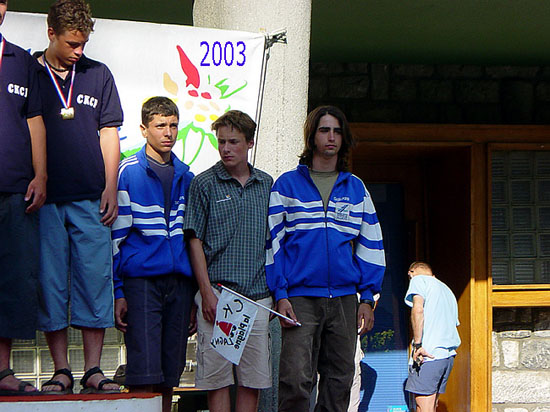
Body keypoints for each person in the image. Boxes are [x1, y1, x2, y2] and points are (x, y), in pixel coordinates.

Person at [266, 105, 386, 412]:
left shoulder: (356, 188)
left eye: (336, 131)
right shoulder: (286, 186)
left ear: (343, 138)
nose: (330, 137)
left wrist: (367, 298)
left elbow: (371, 245)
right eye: (324, 130)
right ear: (312, 137)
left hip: (346, 299)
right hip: (300, 298)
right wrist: (280, 294)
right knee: (295, 379)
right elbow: (273, 245)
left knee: (340, 378)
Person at [34, 0, 122, 394]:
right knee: (51, 282)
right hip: (45, 200)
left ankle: (92, 370)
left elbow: (109, 132)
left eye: (83, 43)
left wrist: (109, 186)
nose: (78, 51)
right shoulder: (29, 73)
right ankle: (60, 370)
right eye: (71, 43)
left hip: (90, 196)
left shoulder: (97, 73)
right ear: (50, 33)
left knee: (94, 280)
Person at [184, 110, 273, 412]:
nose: (225, 149)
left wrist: (275, 297)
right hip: (218, 295)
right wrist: (206, 292)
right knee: (217, 380)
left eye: (233, 142)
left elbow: (276, 243)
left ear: (249, 143)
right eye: (221, 141)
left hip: (259, 297)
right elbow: (193, 239)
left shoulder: (268, 185)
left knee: (252, 380)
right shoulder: (204, 183)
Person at [112, 97, 195, 412]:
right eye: (161, 125)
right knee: (143, 371)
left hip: (181, 284)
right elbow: (116, 238)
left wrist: (196, 295)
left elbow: (193, 239)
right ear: (144, 129)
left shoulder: (188, 177)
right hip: (141, 282)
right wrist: (118, 291)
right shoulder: (127, 172)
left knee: (169, 373)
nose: (168, 132)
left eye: (173, 125)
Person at [0, 0, 47, 395]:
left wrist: (41, 173)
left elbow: (34, 121)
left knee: (13, 280)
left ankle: (1, 370)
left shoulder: (21, 61)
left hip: (15, 188)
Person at [404, 262, 460, 412]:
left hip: (428, 354)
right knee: (432, 406)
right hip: (447, 356)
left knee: (423, 408)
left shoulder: (418, 280)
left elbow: (418, 309)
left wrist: (417, 344)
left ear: (411, 272)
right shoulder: (446, 289)